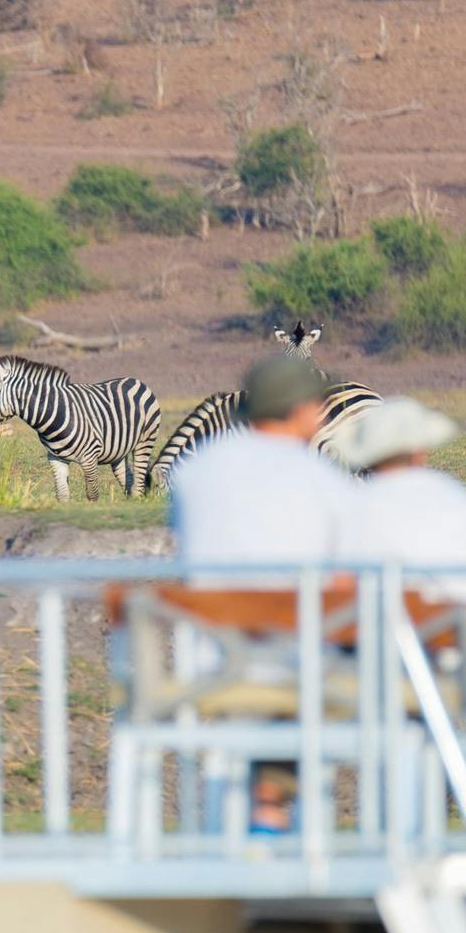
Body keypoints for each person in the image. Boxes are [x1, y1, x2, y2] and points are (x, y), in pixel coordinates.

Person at [169, 355, 356, 835]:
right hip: (289, 659)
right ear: (300, 409)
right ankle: (277, 810)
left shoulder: (196, 470)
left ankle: (262, 808)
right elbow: (343, 581)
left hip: (206, 657)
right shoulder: (319, 477)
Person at [170, 355, 355, 570]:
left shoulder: (196, 468)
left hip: (207, 590)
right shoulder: (316, 473)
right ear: (300, 409)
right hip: (288, 590)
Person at [329, 396, 466, 604]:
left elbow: (341, 581)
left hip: (395, 616)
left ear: (367, 455)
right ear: (419, 452)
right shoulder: (456, 495)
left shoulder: (355, 505)